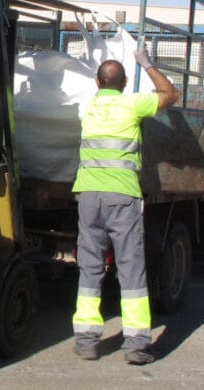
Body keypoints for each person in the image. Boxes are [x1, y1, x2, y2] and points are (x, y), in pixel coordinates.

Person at [72, 42, 179, 365]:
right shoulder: (132, 105)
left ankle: (87, 340)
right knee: (131, 268)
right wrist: (146, 63)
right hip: (122, 195)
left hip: (88, 195)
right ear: (123, 83)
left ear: (97, 83)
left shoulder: (86, 107)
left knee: (89, 265)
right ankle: (135, 345)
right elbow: (170, 94)